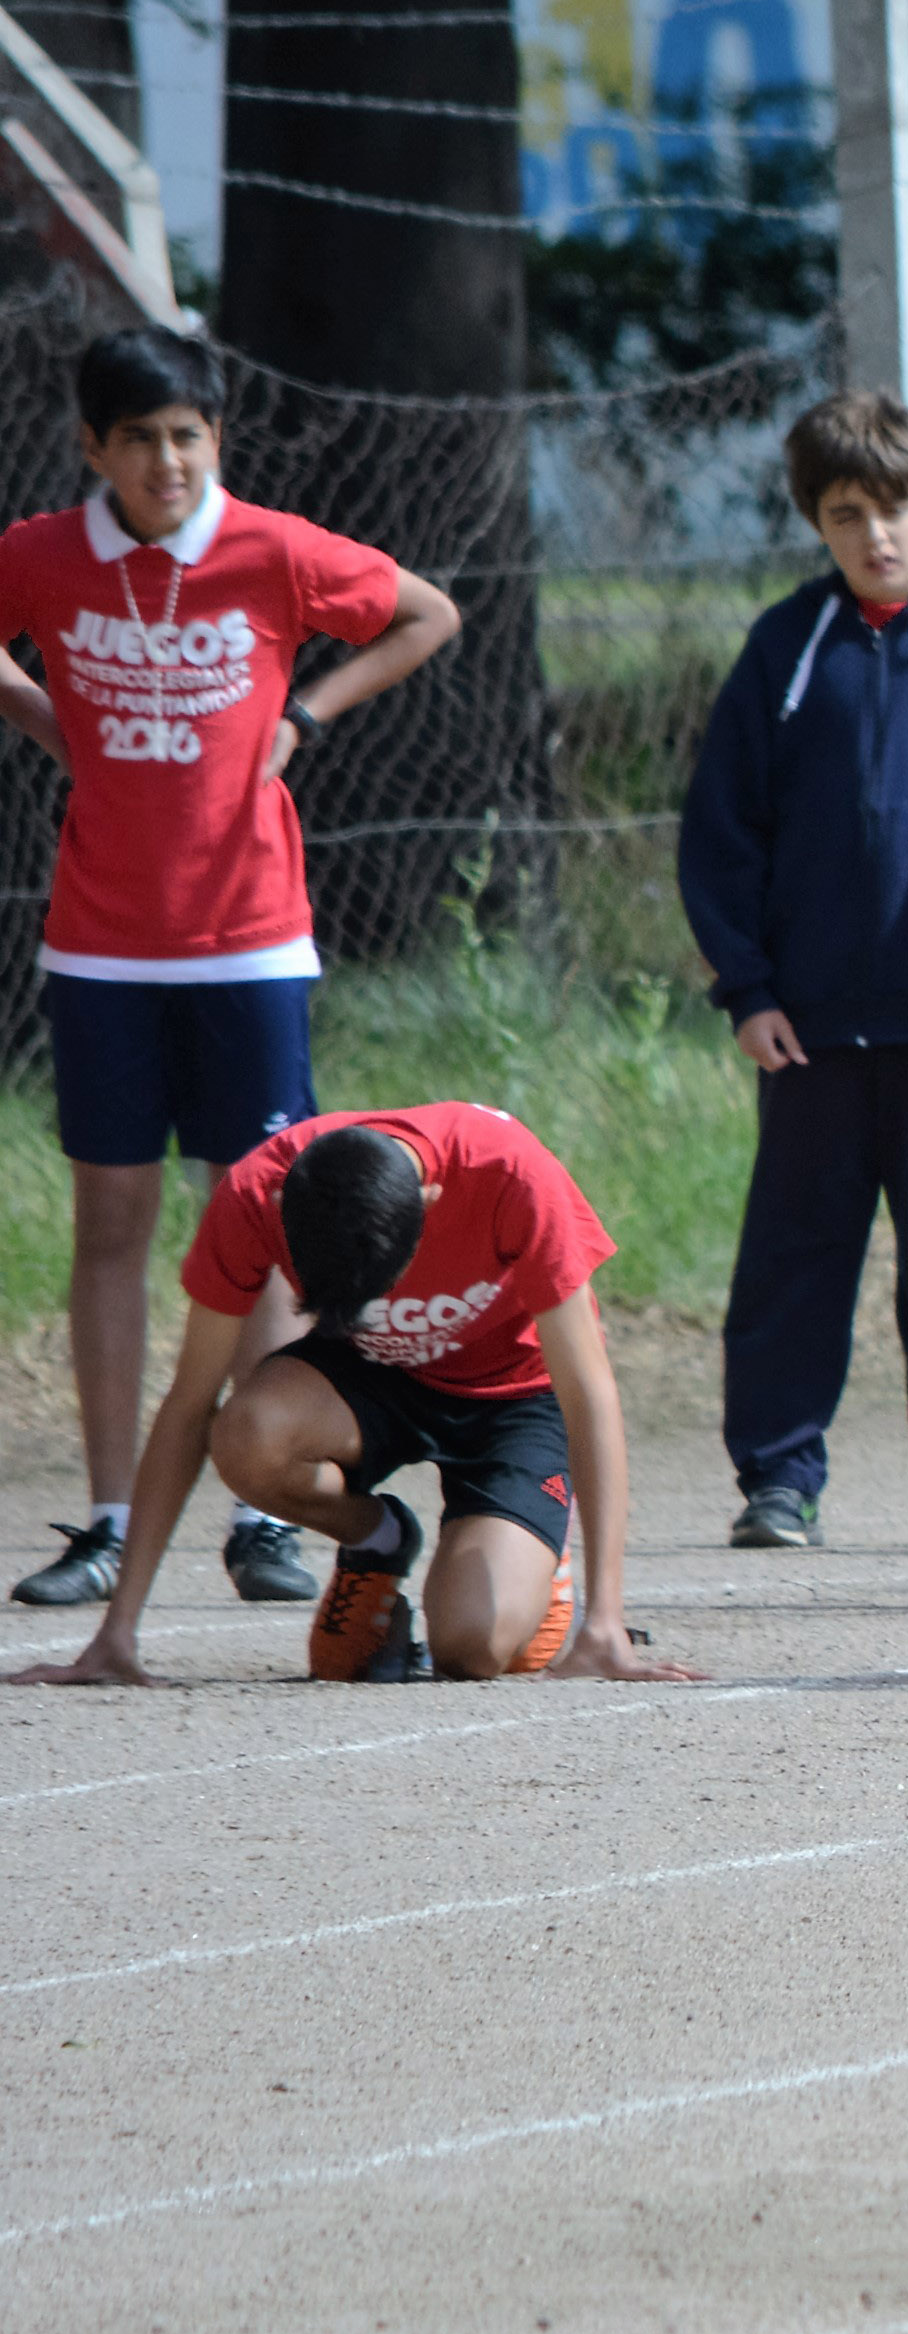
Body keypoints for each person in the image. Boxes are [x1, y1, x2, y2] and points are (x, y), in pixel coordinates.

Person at [0, 325, 460, 1614]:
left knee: (256, 1230)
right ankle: (102, 1516)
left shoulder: (269, 549)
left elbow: (428, 613)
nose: (166, 462)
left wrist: (307, 714)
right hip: (100, 945)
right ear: (93, 448)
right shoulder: (42, 555)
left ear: (217, 444)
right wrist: (56, 725)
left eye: (187, 437)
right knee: (112, 1226)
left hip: (250, 943)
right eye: (138, 439)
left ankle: (263, 1514)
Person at [677, 389, 908, 1554]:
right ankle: (778, 1480)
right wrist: (749, 987)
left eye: (895, 508)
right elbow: (719, 832)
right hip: (812, 1023)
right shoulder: (786, 648)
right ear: (819, 524)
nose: (876, 536)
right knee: (795, 1246)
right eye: (847, 515)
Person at [10, 1105, 689, 1687]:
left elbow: (588, 1392)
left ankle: (541, 1558)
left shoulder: (509, 1172)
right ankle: (377, 1535)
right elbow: (189, 1404)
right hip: (369, 1374)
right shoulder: (257, 1193)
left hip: (512, 1396)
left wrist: (605, 1624)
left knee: (471, 1648)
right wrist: (116, 1632)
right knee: (245, 1432)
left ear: (428, 1200)